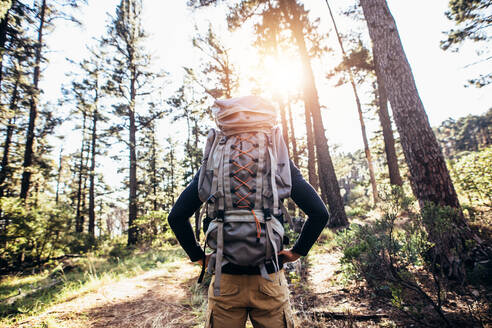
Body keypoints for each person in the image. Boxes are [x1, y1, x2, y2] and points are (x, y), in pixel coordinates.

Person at [168, 96, 329, 328]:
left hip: (225, 281)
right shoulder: (276, 160)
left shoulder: (215, 161)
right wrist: (296, 252)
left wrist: (199, 258)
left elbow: (176, 217)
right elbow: (319, 213)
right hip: (269, 279)